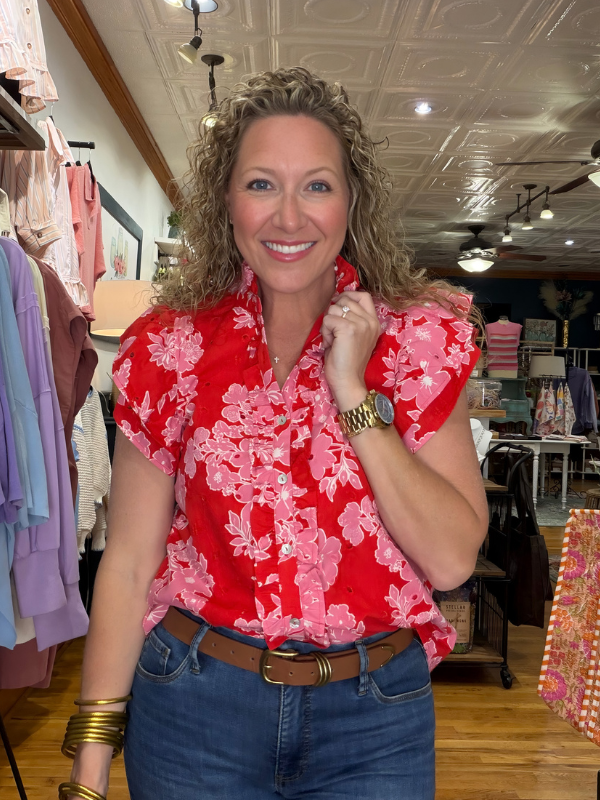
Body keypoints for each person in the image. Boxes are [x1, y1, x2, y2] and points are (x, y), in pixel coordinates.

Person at [62, 67, 488, 800]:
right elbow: (128, 564)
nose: (289, 218)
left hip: (374, 723)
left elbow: (450, 561)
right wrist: (89, 766)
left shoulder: (418, 342)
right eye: (261, 184)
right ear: (226, 202)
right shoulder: (169, 349)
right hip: (194, 710)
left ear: (351, 203)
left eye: (317, 186)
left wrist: (354, 395)